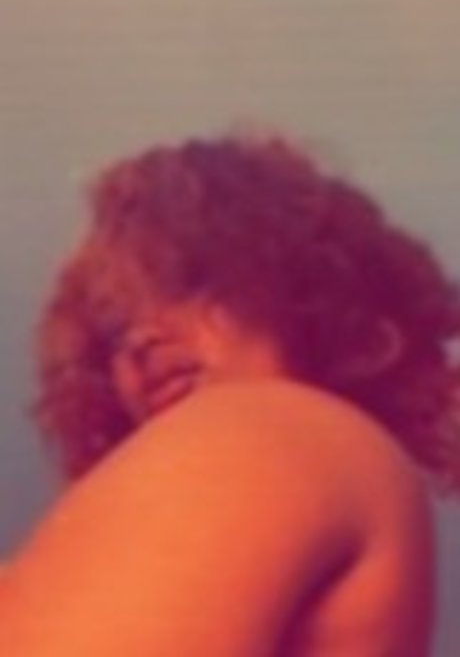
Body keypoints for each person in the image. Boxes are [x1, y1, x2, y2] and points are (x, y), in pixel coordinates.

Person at [1, 133, 459, 655]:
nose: (140, 338)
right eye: (114, 329)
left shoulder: (276, 422)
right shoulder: (339, 464)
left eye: (188, 284)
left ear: (301, 286)